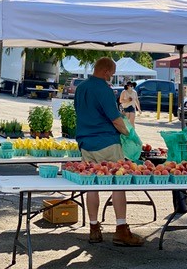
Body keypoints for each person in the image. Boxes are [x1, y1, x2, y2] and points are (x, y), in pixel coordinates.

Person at [74, 57, 144, 246]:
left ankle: (94, 228)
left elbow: (80, 112)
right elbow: (115, 119)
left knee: (92, 185)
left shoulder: (81, 87)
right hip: (106, 142)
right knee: (118, 183)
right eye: (112, 73)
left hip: (85, 142)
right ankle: (121, 229)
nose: (112, 77)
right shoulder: (104, 89)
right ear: (106, 72)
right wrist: (128, 133)